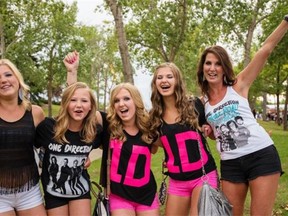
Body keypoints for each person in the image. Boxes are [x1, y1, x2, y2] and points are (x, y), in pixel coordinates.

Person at [196, 15, 288, 216]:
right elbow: (214, 134)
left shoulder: (239, 85)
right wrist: (208, 130)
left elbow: (265, 50)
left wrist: (286, 21)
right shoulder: (202, 103)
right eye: (208, 63)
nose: (212, 68)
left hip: (261, 155)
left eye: (217, 64)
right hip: (230, 163)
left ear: (223, 68)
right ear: (203, 68)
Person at [149, 62, 218, 216]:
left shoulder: (195, 105)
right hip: (177, 181)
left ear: (177, 81)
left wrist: (207, 126)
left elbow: (212, 126)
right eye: (159, 77)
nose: (164, 80)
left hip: (203, 176)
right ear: (155, 84)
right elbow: (155, 144)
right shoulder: (154, 116)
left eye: (169, 76)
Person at [35, 81, 104, 216]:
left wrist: (85, 157)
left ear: (91, 106)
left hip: (80, 189)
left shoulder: (94, 131)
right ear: (66, 104)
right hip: (54, 191)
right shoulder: (48, 127)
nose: (78, 105)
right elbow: (30, 146)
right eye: (73, 100)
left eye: (84, 101)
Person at [101, 83, 160, 216]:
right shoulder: (108, 127)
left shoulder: (150, 128)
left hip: (147, 195)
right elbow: (79, 102)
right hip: (119, 196)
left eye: (126, 99)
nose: (121, 104)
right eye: (116, 100)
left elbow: (165, 145)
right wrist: (72, 72)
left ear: (136, 101)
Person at [0, 59, 47, 216]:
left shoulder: (35, 113)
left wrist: (82, 155)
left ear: (18, 80)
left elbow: (54, 142)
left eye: (8, 74)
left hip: (29, 191)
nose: (3, 80)